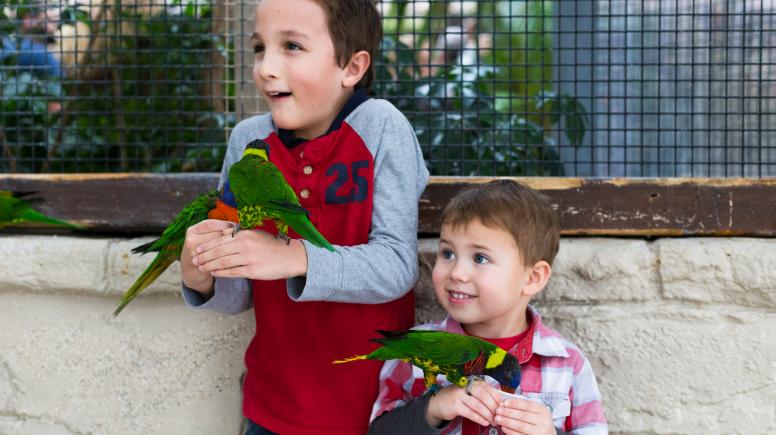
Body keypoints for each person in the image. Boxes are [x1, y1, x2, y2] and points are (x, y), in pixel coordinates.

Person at [178, 0, 429, 433]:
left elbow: (398, 265)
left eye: (291, 46)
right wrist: (200, 275)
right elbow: (236, 295)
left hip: (374, 414)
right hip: (271, 412)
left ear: (351, 67)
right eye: (260, 48)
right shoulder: (247, 141)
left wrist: (294, 256)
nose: (265, 68)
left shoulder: (383, 127)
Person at [368, 180, 607, 435]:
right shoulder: (413, 351)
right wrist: (434, 408)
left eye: (480, 258)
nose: (457, 272)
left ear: (532, 278)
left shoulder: (568, 363)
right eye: (448, 253)